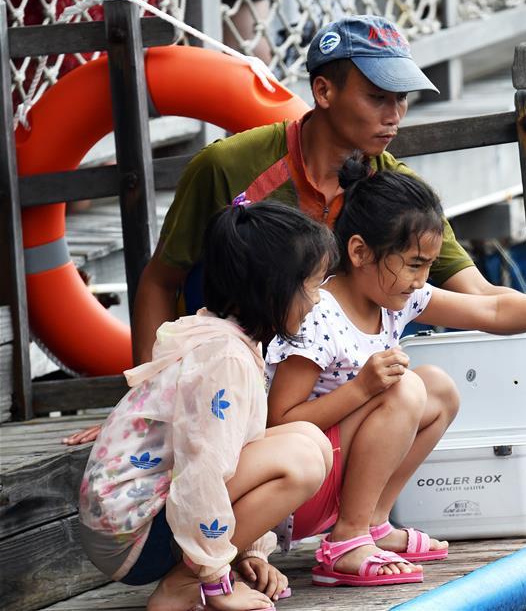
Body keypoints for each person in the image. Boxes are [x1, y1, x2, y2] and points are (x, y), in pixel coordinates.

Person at [64, 14, 526, 446]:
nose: (395, 115)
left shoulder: (394, 193)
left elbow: (482, 300)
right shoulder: (228, 166)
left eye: (402, 99)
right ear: (323, 92)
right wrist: (144, 408)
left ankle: (357, 530)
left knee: (427, 389)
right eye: (378, 97)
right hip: (223, 383)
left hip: (316, 402)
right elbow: (160, 281)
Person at [265, 155, 526, 586]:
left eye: (429, 266)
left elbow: (492, 307)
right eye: (414, 264)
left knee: (439, 389)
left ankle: (372, 523)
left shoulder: (395, 298)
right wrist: (361, 389)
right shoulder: (319, 315)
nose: (421, 279)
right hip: (299, 491)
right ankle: (347, 542)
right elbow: (277, 423)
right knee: (406, 390)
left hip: (335, 477)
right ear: (359, 251)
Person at [78, 201, 338, 610]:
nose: (318, 300)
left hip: (142, 517)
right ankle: (185, 584)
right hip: (133, 532)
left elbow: (235, 450)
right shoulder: (225, 357)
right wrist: (216, 577)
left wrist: (249, 554)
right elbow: (202, 470)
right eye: (310, 285)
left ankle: (202, 569)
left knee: (310, 440)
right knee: (302, 459)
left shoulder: (229, 340)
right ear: (272, 287)